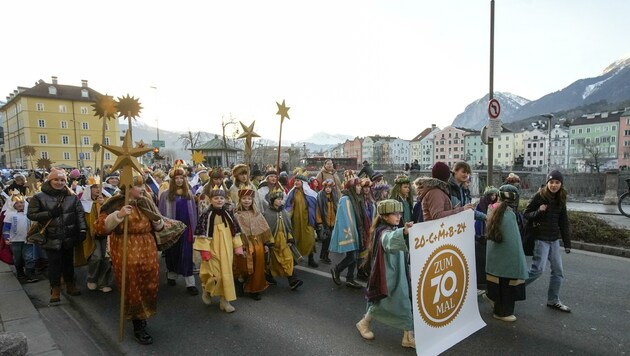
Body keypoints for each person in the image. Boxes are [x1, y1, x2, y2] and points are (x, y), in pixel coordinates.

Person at [96, 174, 163, 345]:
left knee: (150, 281)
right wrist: (118, 215)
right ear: (127, 188)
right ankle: (137, 324)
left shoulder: (146, 201)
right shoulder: (114, 203)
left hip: (147, 245)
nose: (142, 189)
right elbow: (101, 229)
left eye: (142, 185)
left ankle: (144, 314)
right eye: (137, 186)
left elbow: (159, 223)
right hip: (126, 246)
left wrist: (157, 223)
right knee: (132, 284)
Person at [356, 199, 415, 349]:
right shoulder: (383, 231)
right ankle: (364, 323)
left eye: (400, 213)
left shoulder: (391, 228)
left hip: (398, 272)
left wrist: (404, 231)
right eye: (394, 214)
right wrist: (403, 232)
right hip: (388, 274)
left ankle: (407, 335)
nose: (399, 216)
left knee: (402, 301)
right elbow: (389, 240)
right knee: (385, 301)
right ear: (384, 216)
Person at [28, 168, 87, 304]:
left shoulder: (71, 196)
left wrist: (83, 230)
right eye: (56, 179)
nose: (59, 182)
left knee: (68, 263)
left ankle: (70, 284)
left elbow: (80, 214)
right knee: (54, 264)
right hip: (51, 236)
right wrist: (49, 214)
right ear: (50, 180)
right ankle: (55, 289)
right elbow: (31, 214)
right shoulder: (39, 197)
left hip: (68, 235)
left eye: (62, 180)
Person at [524, 170, 572, 313]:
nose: (554, 185)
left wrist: (567, 243)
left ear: (561, 184)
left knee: (558, 271)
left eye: (557, 182)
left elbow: (563, 221)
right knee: (537, 270)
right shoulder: (539, 196)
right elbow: (526, 214)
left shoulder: (561, 199)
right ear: (547, 183)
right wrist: (539, 211)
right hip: (541, 239)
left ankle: (553, 300)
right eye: (551, 182)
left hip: (554, 240)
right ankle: (512, 288)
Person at [194, 185, 244, 313]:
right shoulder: (206, 215)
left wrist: (237, 246)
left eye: (221, 198)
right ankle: (206, 289)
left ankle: (225, 301)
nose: (219, 200)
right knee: (214, 275)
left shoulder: (228, 213)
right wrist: (204, 250)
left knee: (226, 275)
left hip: (226, 250)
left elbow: (235, 231)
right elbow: (202, 234)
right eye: (216, 198)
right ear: (210, 200)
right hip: (212, 249)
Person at [484, 185, 528, 322]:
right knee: (507, 284)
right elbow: (514, 240)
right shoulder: (509, 214)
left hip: (496, 257)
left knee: (498, 281)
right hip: (509, 258)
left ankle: (494, 299)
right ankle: (502, 312)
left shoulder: (492, 210)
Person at [159, 164, 199, 296]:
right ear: (173, 180)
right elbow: (162, 213)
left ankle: (190, 283)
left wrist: (194, 230)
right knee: (172, 253)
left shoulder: (189, 194)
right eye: (177, 178)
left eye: (182, 178)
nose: (179, 180)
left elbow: (194, 212)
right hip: (172, 230)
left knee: (186, 255)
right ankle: (171, 275)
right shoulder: (165, 195)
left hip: (186, 230)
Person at [233, 186, 273, 300]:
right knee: (243, 265)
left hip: (257, 242)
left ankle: (254, 289)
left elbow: (263, 229)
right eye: (244, 198)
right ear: (240, 200)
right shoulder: (237, 215)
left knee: (258, 265)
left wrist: (265, 244)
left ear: (252, 200)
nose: (247, 201)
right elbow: (235, 232)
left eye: (249, 199)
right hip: (243, 243)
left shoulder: (257, 214)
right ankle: (240, 282)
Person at [329, 170, 364, 289]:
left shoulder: (355, 198)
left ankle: (350, 278)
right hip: (349, 232)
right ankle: (336, 269)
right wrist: (350, 234)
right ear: (353, 187)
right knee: (352, 256)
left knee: (354, 256)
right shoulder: (345, 199)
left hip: (356, 231)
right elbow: (344, 219)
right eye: (358, 185)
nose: (360, 187)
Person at [263, 188, 303, 290]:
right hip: (274, 242)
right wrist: (268, 242)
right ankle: (269, 276)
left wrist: (290, 238)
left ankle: (293, 280)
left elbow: (288, 227)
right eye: (277, 199)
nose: (279, 201)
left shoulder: (284, 212)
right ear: (272, 201)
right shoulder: (267, 214)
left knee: (287, 259)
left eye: (281, 199)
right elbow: (267, 229)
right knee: (273, 262)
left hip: (284, 241)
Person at [77, 177, 113, 293]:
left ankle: (103, 283)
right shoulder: (85, 203)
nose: (98, 189)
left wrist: (104, 205)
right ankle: (92, 279)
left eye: (99, 187)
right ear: (89, 189)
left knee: (107, 259)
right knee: (96, 257)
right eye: (94, 187)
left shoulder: (107, 200)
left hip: (107, 235)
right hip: (92, 235)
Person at [3, 190, 38, 283]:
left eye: (22, 202)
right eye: (17, 203)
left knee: (29, 257)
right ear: (12, 204)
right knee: (17, 257)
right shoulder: (9, 215)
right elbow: (6, 228)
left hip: (28, 239)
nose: (20, 204)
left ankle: (30, 273)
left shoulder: (28, 214)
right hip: (14, 241)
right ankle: (20, 272)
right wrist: (6, 238)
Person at [285, 174, 319, 268]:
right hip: (295, 221)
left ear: (303, 183)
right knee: (296, 239)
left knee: (310, 239)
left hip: (307, 220)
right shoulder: (292, 193)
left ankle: (311, 259)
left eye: (298, 181)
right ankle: (295, 258)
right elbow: (288, 206)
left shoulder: (310, 194)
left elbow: (315, 207)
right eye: (295, 181)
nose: (296, 182)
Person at [474, 186, 499, 293]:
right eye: (491, 195)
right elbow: (478, 218)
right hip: (481, 231)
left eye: (495, 195)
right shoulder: (481, 204)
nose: (493, 197)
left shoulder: (494, 204)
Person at [315, 179, 338, 264]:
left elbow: (336, 209)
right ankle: (325, 256)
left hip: (333, 222)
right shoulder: (320, 196)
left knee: (328, 240)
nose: (328, 189)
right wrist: (319, 222)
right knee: (326, 240)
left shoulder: (334, 196)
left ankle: (324, 255)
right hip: (325, 223)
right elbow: (318, 210)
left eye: (329, 187)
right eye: (326, 187)